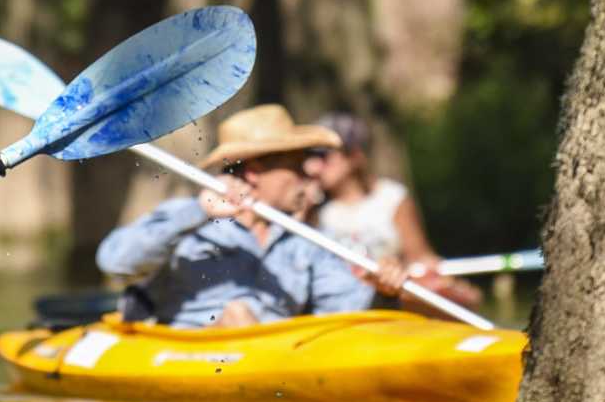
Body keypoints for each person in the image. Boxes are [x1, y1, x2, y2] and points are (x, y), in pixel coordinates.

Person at [95, 103, 405, 328]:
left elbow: (346, 315)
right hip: (194, 357)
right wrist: (199, 211)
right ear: (255, 172)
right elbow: (115, 262)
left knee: (242, 318)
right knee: (236, 314)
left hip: (276, 361)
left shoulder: (306, 242)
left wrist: (383, 292)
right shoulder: (190, 220)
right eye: (297, 165)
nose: (310, 173)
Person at [309, 110, 486, 317]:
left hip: (393, 303)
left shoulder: (390, 198)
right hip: (342, 308)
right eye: (310, 157)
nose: (313, 167)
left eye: (323, 156)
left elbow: (420, 258)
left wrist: (446, 285)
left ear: (353, 156)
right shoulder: (313, 208)